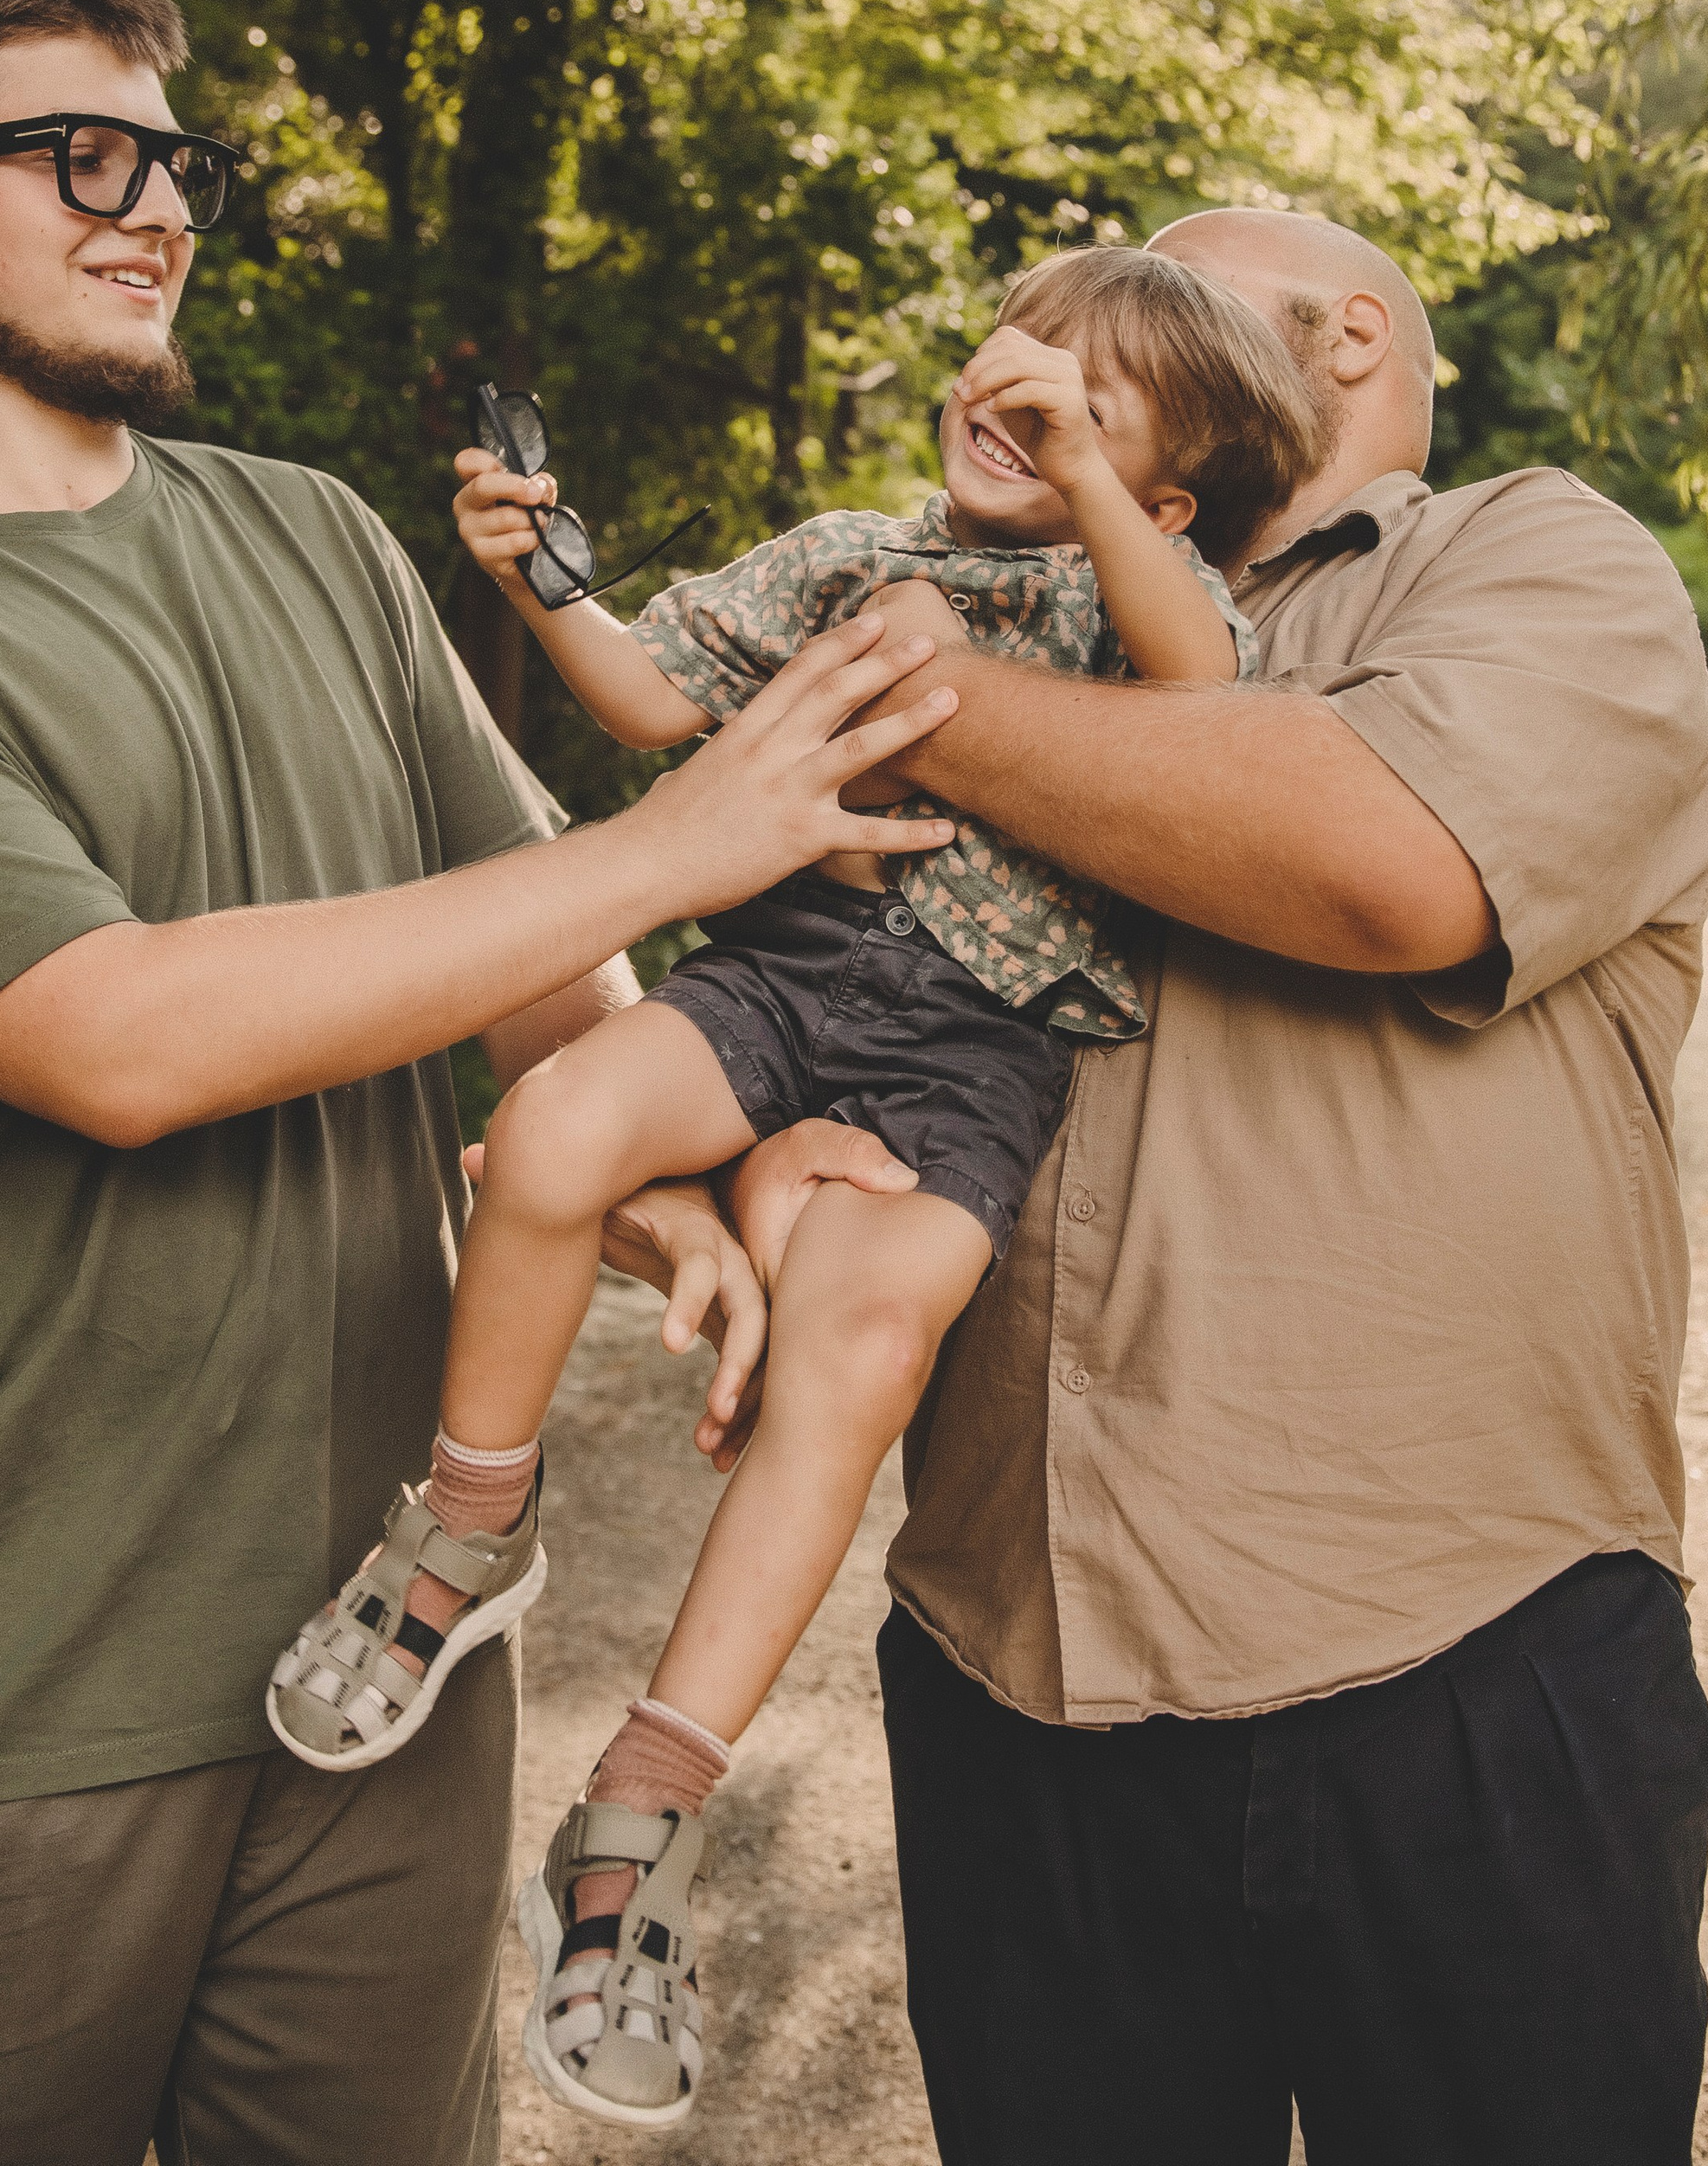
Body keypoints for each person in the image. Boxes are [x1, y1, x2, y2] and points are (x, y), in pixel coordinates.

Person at [0, 0, 960, 2166]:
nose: (156, 207)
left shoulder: (316, 536)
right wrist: (685, 838)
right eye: (81, 157)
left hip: (385, 1664)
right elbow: (115, 1042)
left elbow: (543, 970)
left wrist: (672, 1187)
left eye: (176, 166)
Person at [264, 244, 1324, 2131]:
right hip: (780, 975)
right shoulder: (845, 557)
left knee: (867, 1339)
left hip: (980, 1047)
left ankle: (643, 1806)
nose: (1029, 396)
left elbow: (1207, 687)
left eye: (1094, 404)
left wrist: (1088, 487)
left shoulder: (1131, 600)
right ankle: (468, 1527)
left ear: (1160, 498)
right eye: (1020, 355)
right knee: (559, 1128)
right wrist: (540, 571)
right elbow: (643, 698)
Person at [735, 205, 1708, 2166]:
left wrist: (889, 675)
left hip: (1471, 1669)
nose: (1078, 362)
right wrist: (755, 1150)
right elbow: (752, 955)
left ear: (1343, 337)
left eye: (1168, 310)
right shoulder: (1001, 593)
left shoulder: (1533, 561)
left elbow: (1384, 867)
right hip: (1010, 1672)